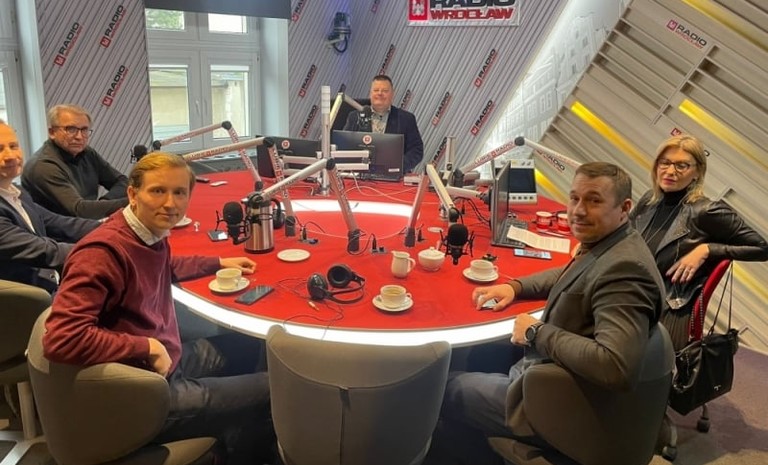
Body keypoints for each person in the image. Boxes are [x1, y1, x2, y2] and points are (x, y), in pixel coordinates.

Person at [42, 152, 273, 464]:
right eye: (158, 191)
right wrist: (146, 346)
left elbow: (162, 264)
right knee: (273, 389)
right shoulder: (102, 253)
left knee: (253, 346)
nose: (170, 203)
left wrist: (217, 262)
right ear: (132, 194)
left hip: (165, 363)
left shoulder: (146, 233)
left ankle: (230, 435)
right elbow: (61, 339)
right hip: (141, 395)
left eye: (179, 192)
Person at [428, 162, 665, 464]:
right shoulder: (614, 244)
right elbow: (574, 274)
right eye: (575, 198)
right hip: (553, 376)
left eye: (594, 201)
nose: (578, 211)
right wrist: (515, 287)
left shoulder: (626, 273)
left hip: (559, 405)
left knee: (443, 386)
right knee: (481, 356)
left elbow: (615, 366)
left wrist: (535, 332)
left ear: (625, 208)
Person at [629, 134, 768, 350]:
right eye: (664, 163)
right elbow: (625, 233)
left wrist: (707, 249)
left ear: (697, 172)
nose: (670, 171)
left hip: (665, 305)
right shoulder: (650, 200)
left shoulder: (706, 211)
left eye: (681, 165)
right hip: (633, 289)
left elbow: (762, 248)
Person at [0, 119, 100, 293]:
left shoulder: (16, 191)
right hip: (28, 301)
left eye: (13, 146)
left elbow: (59, 223)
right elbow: (44, 251)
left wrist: (114, 227)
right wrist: (108, 246)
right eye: (0, 149)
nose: (10, 156)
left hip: (52, 284)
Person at [22, 104, 129, 219]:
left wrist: (105, 201)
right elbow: (79, 210)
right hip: (59, 229)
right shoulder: (43, 166)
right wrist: (136, 202)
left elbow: (122, 181)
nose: (79, 137)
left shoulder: (87, 153)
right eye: (71, 129)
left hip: (87, 223)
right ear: (52, 132)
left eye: (84, 130)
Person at [343, 74, 424, 173]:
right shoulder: (355, 117)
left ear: (392, 94)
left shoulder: (406, 119)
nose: (380, 93)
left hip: (393, 175)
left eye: (385, 91)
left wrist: (399, 166)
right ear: (370, 93)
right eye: (376, 90)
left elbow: (416, 150)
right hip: (360, 176)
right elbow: (344, 145)